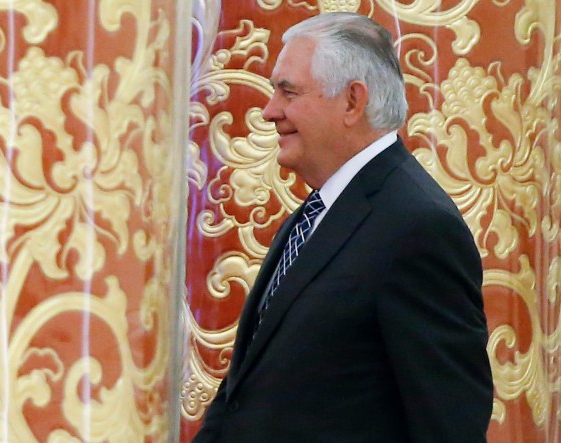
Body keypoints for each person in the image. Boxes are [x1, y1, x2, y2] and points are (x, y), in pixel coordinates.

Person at [192, 12, 493, 443]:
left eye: (287, 91)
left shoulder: (418, 227)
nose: (268, 110)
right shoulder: (316, 211)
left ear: (352, 101)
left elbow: (449, 424)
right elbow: (245, 390)